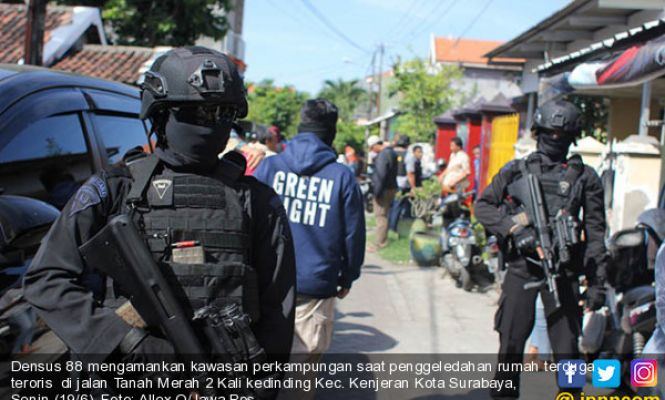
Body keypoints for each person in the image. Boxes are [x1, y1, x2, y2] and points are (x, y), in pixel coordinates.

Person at [23, 47, 296, 393]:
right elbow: (46, 279)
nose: (211, 123)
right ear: (162, 113)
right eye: (196, 112)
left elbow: (278, 314)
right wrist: (127, 342)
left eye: (223, 112)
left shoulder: (257, 201)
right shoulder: (115, 189)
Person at [475, 100, 608, 399]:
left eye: (562, 135)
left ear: (572, 137)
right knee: (510, 343)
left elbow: (597, 234)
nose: (555, 139)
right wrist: (515, 229)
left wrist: (598, 281)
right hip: (523, 269)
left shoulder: (585, 178)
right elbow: (483, 206)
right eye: (550, 133)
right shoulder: (515, 171)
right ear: (537, 132)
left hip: (564, 271)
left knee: (567, 350)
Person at [254, 99, 365, 382]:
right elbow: (353, 235)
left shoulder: (269, 168)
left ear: (301, 127)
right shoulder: (342, 177)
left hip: (264, 284)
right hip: (314, 288)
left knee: (260, 365)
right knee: (300, 372)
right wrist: (347, 276)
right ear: (331, 133)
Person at [368, 135, 397, 250]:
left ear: (376, 145)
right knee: (385, 215)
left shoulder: (383, 155)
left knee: (380, 216)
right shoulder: (392, 152)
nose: (371, 150)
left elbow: (381, 175)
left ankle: (380, 243)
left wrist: (376, 192)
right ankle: (382, 240)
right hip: (391, 187)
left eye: (371, 148)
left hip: (383, 189)